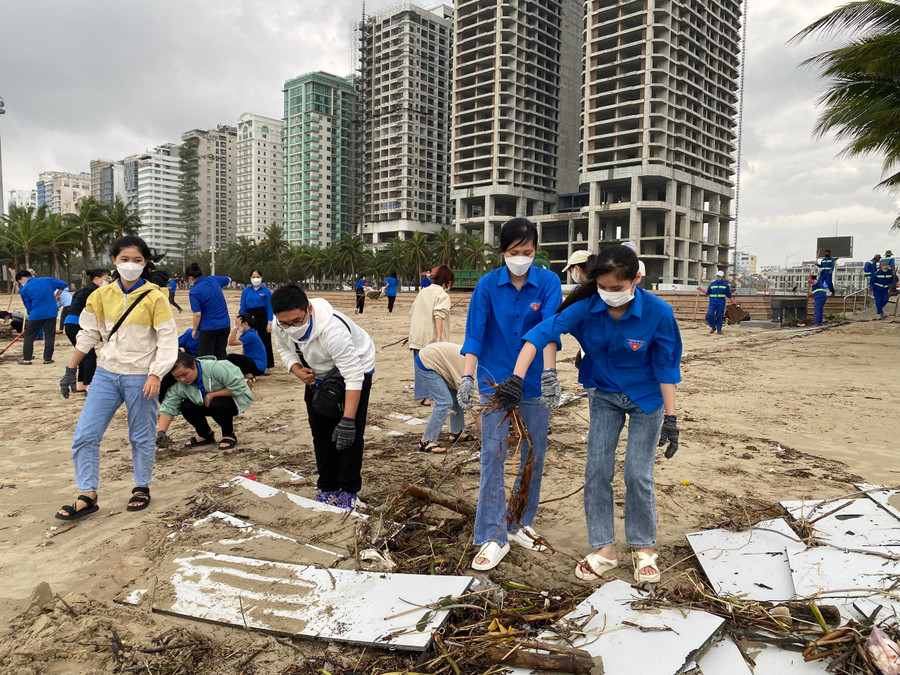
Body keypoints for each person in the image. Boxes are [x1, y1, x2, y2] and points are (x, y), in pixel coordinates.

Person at [496, 244, 682, 584]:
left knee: (637, 475)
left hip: (647, 399)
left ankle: (643, 548)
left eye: (617, 288)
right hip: (605, 395)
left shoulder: (659, 312)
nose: (609, 294)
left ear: (636, 279)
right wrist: (516, 379)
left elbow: (667, 367)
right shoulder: (586, 308)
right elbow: (540, 334)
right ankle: (604, 549)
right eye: (603, 287)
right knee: (597, 470)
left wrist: (671, 419)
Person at [456, 218, 563, 571]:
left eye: (528, 252)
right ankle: (492, 533)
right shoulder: (487, 285)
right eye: (514, 252)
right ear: (502, 251)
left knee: (533, 455)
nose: (521, 257)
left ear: (536, 250)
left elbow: (548, 331)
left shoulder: (548, 282)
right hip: (495, 383)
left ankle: (518, 521)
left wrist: (549, 374)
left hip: (532, 382)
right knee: (493, 455)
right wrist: (468, 378)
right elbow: (475, 334)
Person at [55, 236, 178, 520]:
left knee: (141, 436)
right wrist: (70, 369)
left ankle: (141, 486)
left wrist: (156, 374)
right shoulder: (100, 295)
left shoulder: (155, 297)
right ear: (113, 261)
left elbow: (168, 341)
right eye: (125, 259)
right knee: (85, 435)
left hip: (141, 377)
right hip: (106, 375)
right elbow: (89, 334)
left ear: (145, 263)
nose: (130, 265)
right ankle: (88, 493)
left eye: (137, 260)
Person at [272, 284, 376, 509]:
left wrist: (348, 420)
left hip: (355, 370)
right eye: (285, 323)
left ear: (308, 309)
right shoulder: (279, 324)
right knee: (321, 432)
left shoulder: (332, 330)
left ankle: (349, 490)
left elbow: (353, 375)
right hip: (317, 375)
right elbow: (285, 350)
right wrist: (297, 369)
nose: (291, 328)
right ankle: (328, 486)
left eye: (297, 321)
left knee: (348, 436)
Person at [156, 351, 253, 451]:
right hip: (205, 403)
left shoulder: (216, 368)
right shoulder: (178, 385)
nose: (182, 379)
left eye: (185, 374)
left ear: (194, 365)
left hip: (234, 400)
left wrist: (212, 395)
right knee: (186, 406)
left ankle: (228, 434)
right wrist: (161, 433)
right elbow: (169, 407)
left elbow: (239, 388)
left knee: (216, 404)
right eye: (177, 377)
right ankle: (205, 435)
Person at [415, 342, 480, 454]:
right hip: (428, 361)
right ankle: (426, 441)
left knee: (456, 394)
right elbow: (475, 407)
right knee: (445, 402)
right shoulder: (473, 375)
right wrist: (490, 439)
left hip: (444, 363)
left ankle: (456, 432)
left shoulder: (482, 369)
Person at [408, 264, 454, 407]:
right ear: (447, 281)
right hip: (431, 337)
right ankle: (428, 397)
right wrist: (439, 337)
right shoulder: (443, 295)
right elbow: (438, 315)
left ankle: (424, 396)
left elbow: (412, 311)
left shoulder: (423, 292)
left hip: (417, 336)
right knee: (432, 367)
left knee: (420, 366)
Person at [62, 269, 111, 395]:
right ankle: (89, 385)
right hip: (77, 323)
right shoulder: (94, 291)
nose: (108, 281)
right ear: (97, 278)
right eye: (106, 278)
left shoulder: (84, 290)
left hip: (70, 323)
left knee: (84, 354)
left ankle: (81, 384)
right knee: (89, 355)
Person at [15, 270, 68, 365]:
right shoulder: (47, 280)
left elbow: (28, 305)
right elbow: (63, 284)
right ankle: (47, 359)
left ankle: (27, 359)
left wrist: (32, 313)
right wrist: (58, 294)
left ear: (23, 279)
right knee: (49, 336)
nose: (21, 284)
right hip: (51, 313)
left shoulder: (24, 289)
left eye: (20, 282)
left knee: (29, 336)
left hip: (36, 314)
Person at [185, 262, 231, 359]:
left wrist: (194, 330)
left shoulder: (194, 291)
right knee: (221, 355)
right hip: (225, 325)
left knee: (206, 358)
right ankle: (221, 374)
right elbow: (228, 279)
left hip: (209, 327)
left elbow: (197, 314)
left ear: (190, 278)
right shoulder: (213, 279)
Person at [239, 269, 274, 369]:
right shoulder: (246, 291)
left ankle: (267, 365)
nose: (256, 279)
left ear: (261, 278)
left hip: (262, 316)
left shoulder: (266, 291)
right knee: (248, 339)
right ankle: (246, 362)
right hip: (249, 316)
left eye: (258, 277)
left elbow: (269, 308)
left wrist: (269, 323)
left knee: (265, 340)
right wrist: (242, 319)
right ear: (250, 278)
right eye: (253, 277)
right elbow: (243, 305)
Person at [226, 312, 267, 379]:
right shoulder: (249, 333)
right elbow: (244, 352)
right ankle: (249, 374)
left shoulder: (250, 334)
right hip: (254, 364)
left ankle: (249, 375)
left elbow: (231, 342)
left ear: (245, 324)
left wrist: (235, 327)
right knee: (236, 360)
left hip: (258, 366)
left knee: (231, 357)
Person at [697, 270, 736, 335]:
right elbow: (707, 292)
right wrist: (700, 289)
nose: (718, 277)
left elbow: (729, 295)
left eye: (719, 276)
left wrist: (733, 301)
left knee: (719, 316)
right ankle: (713, 326)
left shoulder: (725, 285)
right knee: (710, 315)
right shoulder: (712, 284)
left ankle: (719, 329)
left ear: (722, 277)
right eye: (717, 276)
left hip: (721, 303)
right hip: (713, 303)